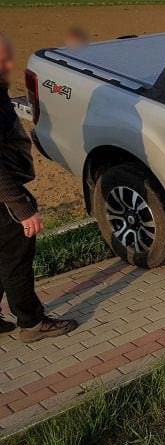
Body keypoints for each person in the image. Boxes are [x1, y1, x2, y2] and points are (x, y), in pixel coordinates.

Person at [0, 34, 77, 342]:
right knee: (16, 260)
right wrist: (23, 208)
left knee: (2, 256)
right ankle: (31, 324)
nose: (8, 63)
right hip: (6, 198)